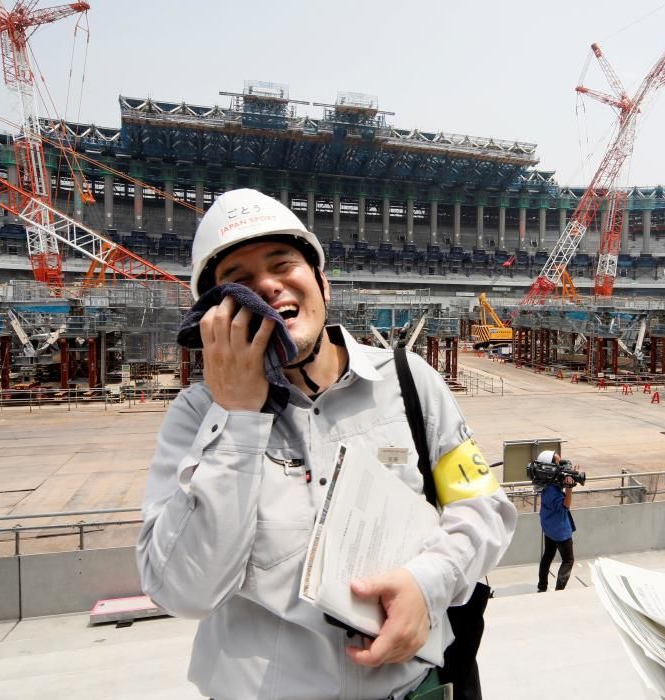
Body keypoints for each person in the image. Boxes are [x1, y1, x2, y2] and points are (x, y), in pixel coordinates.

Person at [136, 188, 518, 700]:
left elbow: (484, 508)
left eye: (283, 264)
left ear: (322, 283)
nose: (267, 286)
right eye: (240, 281)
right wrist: (236, 417)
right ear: (216, 315)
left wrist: (428, 583)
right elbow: (184, 590)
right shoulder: (196, 418)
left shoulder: (410, 383)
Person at [535, 449, 576, 592]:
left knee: (547, 556)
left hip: (549, 528)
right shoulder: (552, 491)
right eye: (557, 463)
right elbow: (566, 504)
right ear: (549, 467)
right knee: (568, 560)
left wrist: (570, 475)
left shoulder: (546, 485)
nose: (560, 467)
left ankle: (542, 587)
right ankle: (559, 590)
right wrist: (569, 488)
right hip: (560, 532)